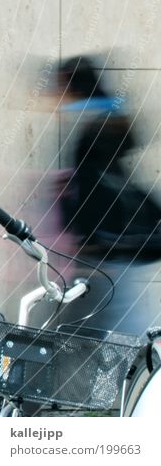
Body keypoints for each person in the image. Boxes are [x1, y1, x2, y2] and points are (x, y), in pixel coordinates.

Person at [51, 55, 161, 335]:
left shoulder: (93, 126)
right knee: (108, 325)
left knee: (107, 327)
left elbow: (91, 188)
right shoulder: (109, 117)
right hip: (112, 247)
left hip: (104, 248)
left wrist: (85, 239)